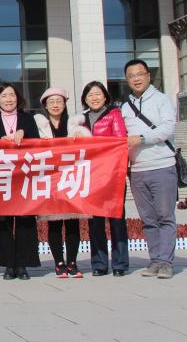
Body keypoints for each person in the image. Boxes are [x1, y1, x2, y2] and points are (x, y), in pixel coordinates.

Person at [121, 59, 177, 279]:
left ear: (148, 76)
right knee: (148, 219)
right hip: (137, 169)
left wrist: (142, 138)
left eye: (139, 74)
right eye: (131, 75)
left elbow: (168, 128)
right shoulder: (126, 106)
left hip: (162, 165)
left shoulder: (162, 100)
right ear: (127, 80)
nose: (136, 78)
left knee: (165, 216)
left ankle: (166, 262)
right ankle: (155, 260)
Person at [34, 87, 91, 278]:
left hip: (71, 179)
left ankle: (72, 262)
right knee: (54, 223)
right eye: (51, 102)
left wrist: (81, 138)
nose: (55, 105)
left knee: (73, 222)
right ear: (45, 106)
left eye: (59, 101)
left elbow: (89, 144)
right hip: (50, 180)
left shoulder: (74, 124)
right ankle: (59, 262)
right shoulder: (39, 126)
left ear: (65, 104)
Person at [0, 82, 40, 280]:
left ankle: (23, 264)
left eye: (12, 95)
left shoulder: (28, 118)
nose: (8, 99)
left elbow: (38, 143)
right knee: (3, 222)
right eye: (4, 96)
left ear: (18, 98)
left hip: (23, 175)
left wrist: (24, 134)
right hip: (0, 174)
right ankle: (8, 264)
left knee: (25, 220)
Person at [80, 80, 129, 277]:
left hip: (112, 175)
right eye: (90, 95)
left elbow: (120, 142)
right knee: (95, 222)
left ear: (105, 96)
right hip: (91, 177)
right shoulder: (81, 119)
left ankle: (120, 263)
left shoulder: (114, 114)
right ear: (85, 99)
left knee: (116, 219)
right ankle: (99, 263)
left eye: (98, 94)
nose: (94, 98)